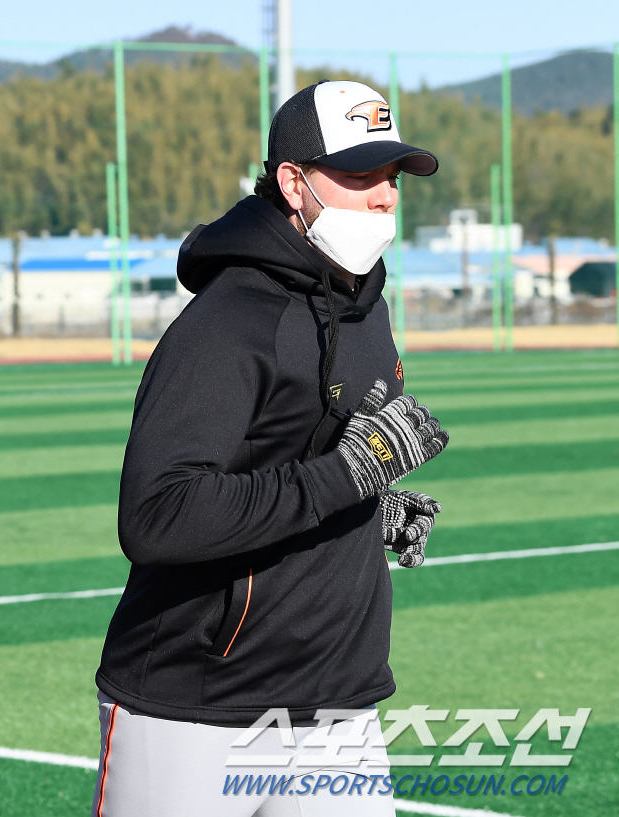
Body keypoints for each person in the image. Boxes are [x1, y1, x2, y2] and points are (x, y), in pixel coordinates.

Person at [91, 80, 449, 817]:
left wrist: (368, 515)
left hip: (340, 699)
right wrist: (347, 477)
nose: (385, 197)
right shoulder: (227, 320)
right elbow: (157, 516)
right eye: (359, 176)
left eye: (392, 176)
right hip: (195, 706)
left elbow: (301, 463)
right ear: (293, 182)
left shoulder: (365, 303)